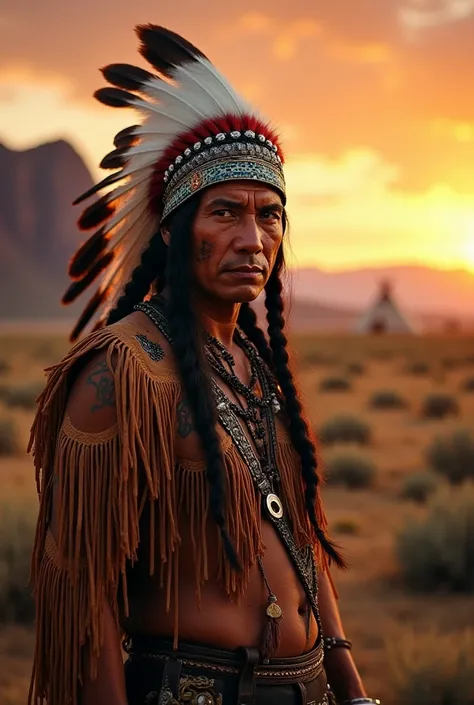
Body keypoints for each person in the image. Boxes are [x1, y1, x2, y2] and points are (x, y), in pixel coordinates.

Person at [28, 25, 381, 705]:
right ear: (172, 229)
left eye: (269, 215)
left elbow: (299, 536)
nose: (253, 239)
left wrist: (350, 685)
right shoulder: (120, 375)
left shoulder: (255, 366)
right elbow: (84, 599)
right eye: (225, 212)